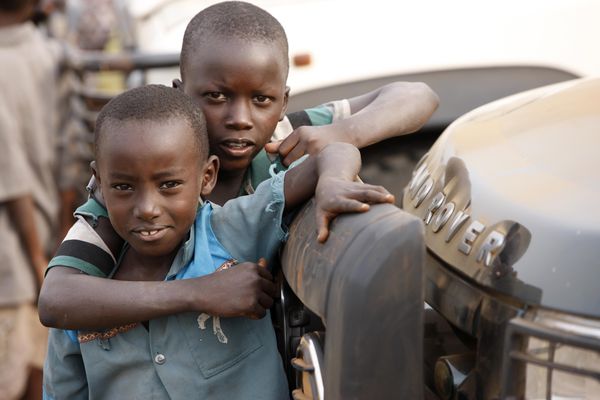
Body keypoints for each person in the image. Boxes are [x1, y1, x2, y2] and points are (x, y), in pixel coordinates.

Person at [38, 1, 438, 329]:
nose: (240, 118)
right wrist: (200, 292)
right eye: (215, 96)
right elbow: (57, 297)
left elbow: (416, 95)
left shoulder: (284, 136)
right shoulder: (140, 185)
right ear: (182, 92)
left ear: (282, 101)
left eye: (261, 100)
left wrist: (346, 132)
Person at [43, 84, 394, 399]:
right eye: (123, 187)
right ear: (99, 184)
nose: (147, 209)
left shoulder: (230, 232)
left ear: (207, 176)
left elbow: (332, 153)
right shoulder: (84, 300)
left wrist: (331, 182)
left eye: (169, 185)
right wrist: (202, 292)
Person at [0, 1, 60, 399]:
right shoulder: (50, 53)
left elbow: (11, 174)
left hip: (17, 258)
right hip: (43, 244)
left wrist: (37, 257)